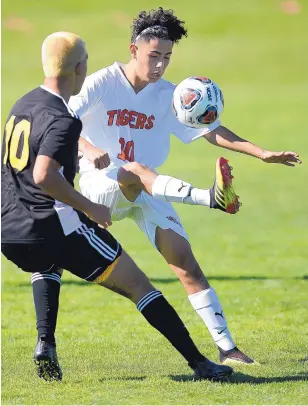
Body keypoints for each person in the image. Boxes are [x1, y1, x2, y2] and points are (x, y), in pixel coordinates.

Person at [68, 8, 301, 365]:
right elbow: (62, 118)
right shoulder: (102, 82)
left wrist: (262, 153)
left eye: (167, 57)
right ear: (134, 50)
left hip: (148, 188)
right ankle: (210, 199)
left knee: (186, 265)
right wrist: (88, 147)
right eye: (153, 56)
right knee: (133, 169)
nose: (160, 65)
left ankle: (228, 349)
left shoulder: (170, 95)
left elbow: (213, 131)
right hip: (99, 188)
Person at [1, 31, 234, 383]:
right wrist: (88, 208)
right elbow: (45, 175)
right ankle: (200, 363)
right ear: (80, 68)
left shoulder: (22, 105)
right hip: (51, 224)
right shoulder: (65, 119)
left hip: (9, 228)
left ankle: (45, 342)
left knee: (46, 262)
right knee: (141, 286)